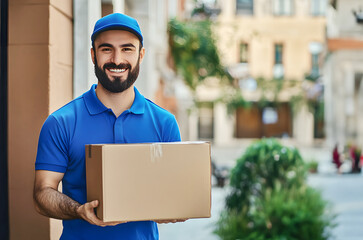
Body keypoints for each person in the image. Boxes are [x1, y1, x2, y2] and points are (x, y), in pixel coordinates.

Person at [33, 13, 184, 240]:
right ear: (93, 55)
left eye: (127, 49)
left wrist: (172, 207)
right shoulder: (61, 122)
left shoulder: (165, 123)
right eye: (106, 49)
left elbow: (175, 192)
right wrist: (78, 210)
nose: (116, 59)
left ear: (141, 55)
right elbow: (42, 193)